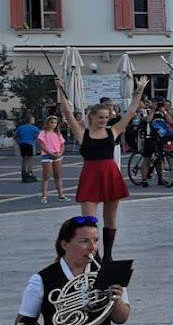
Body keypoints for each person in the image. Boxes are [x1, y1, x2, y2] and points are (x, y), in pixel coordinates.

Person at [57, 76, 148, 261]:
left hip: (110, 174)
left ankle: (108, 255)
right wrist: (60, 89)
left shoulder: (112, 131)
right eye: (100, 117)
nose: (104, 120)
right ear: (92, 117)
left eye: (107, 117)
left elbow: (131, 111)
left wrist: (138, 91)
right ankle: (94, 254)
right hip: (90, 175)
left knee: (111, 217)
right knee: (89, 221)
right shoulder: (82, 133)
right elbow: (66, 112)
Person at [37, 115, 67, 203]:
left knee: (58, 175)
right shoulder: (43, 133)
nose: (53, 124)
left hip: (57, 155)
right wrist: (50, 153)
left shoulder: (57, 133)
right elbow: (42, 145)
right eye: (51, 122)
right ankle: (44, 196)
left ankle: (61, 195)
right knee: (46, 175)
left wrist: (60, 153)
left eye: (55, 123)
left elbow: (62, 144)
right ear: (47, 123)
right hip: (47, 155)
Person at [14, 113, 40, 182]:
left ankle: (23, 172)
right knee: (30, 159)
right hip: (29, 144)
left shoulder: (21, 127)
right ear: (31, 120)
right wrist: (35, 139)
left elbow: (15, 136)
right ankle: (29, 171)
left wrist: (18, 142)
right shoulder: (34, 128)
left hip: (22, 144)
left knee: (24, 159)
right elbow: (39, 135)